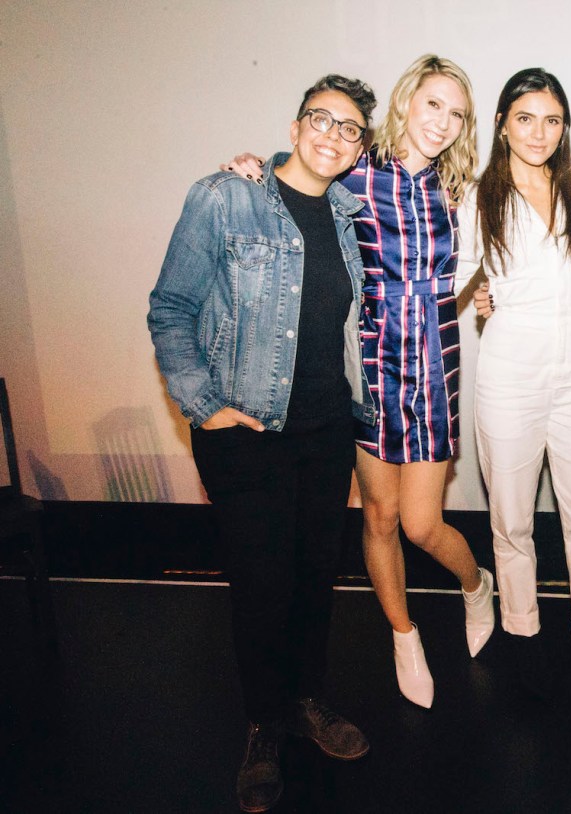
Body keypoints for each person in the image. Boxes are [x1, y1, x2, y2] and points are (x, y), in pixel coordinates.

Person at [221, 55, 495, 711]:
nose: (444, 121)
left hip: (431, 361)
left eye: (457, 113)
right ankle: (403, 634)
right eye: (434, 104)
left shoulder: (462, 188)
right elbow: (302, 168)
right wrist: (248, 171)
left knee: (424, 524)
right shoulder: (357, 169)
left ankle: (476, 584)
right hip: (369, 361)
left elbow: (519, 217)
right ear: (406, 102)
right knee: (379, 516)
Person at [149, 74, 377, 812]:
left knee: (316, 577)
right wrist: (201, 403)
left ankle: (306, 701)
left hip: (326, 429)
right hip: (247, 434)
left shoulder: (349, 213)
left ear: (359, 146)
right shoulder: (226, 197)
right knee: (260, 586)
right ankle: (263, 726)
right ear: (296, 122)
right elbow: (171, 307)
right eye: (322, 119)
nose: (332, 135)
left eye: (349, 128)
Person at [456, 68, 571, 698]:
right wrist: (491, 303)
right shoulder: (477, 199)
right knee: (511, 517)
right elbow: (452, 278)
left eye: (552, 120)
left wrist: (566, 299)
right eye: (526, 118)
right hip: (509, 372)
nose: (540, 132)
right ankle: (521, 630)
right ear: (501, 123)